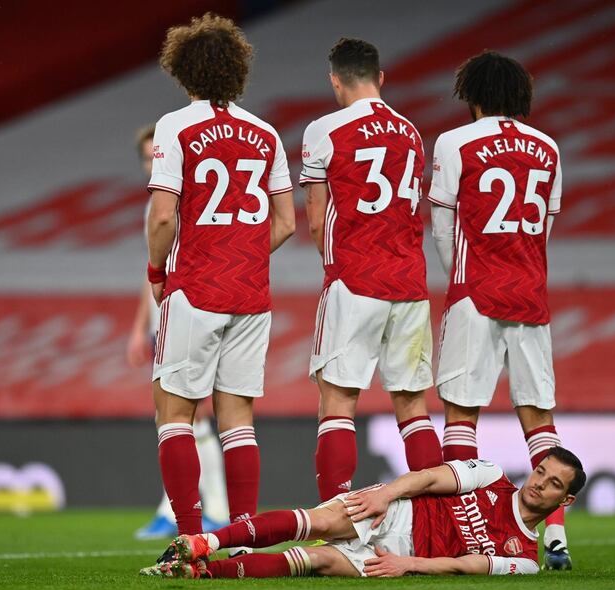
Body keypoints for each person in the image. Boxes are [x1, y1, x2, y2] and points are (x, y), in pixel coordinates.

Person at [146, 13, 295, 537]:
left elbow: (164, 215)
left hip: (197, 285)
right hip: (251, 293)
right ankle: (240, 538)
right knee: (238, 420)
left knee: (175, 414)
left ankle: (189, 537)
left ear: (183, 70)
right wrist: (246, 253)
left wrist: (156, 270)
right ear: (237, 71)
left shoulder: (175, 126)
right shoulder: (265, 133)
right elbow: (287, 222)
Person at [428, 51, 571, 569]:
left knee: (462, 415)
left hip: (476, 292)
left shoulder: (455, 142)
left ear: (475, 96)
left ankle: (469, 534)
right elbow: (545, 226)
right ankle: (554, 537)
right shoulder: (548, 147)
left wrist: (461, 276)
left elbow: (443, 225)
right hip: (530, 292)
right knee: (539, 418)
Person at [300, 38, 442, 502]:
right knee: (413, 408)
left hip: (355, 279)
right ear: (381, 78)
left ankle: (335, 523)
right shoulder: (411, 133)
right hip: (409, 284)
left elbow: (318, 219)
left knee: (338, 404)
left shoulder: (324, 130)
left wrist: (335, 268)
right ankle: (438, 522)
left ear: (335, 80)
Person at [140, 447, 586, 579]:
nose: (538, 483)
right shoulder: (491, 475)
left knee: (317, 561)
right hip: (398, 514)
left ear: (564, 501)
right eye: (541, 471)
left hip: (404, 556)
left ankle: (198, 575)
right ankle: (202, 543)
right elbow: (430, 479)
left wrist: (405, 564)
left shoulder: (526, 560)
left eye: (552, 484)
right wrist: (386, 495)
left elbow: (464, 565)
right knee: (320, 520)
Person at [127, 124, 229, 539]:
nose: (153, 164)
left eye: (158, 157)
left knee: (183, 416)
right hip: (162, 320)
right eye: (147, 159)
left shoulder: (188, 202)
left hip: (190, 315)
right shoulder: (151, 208)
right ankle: (213, 509)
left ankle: (178, 511)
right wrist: (139, 328)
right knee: (183, 419)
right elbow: (150, 271)